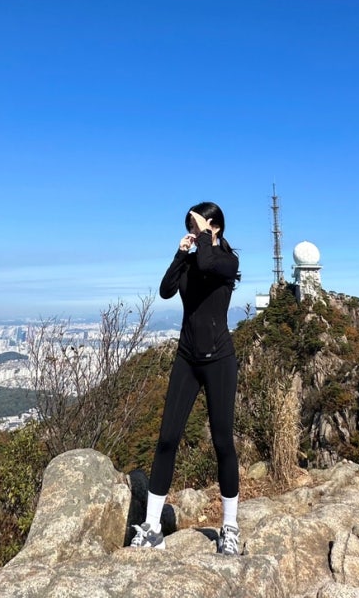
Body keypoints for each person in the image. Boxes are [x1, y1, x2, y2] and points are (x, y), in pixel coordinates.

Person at [130, 201, 242, 556]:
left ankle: (230, 528)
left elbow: (209, 262)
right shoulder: (192, 261)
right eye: (190, 228)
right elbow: (165, 289)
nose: (193, 233)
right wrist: (180, 254)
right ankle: (152, 527)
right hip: (186, 358)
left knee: (222, 442)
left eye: (197, 226)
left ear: (215, 227)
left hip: (219, 360)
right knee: (167, 439)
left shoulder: (227, 262)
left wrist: (204, 238)